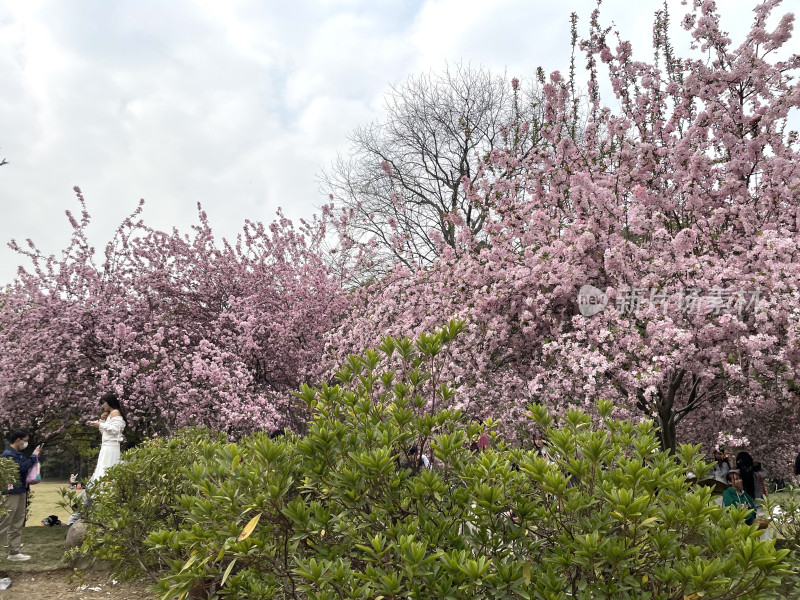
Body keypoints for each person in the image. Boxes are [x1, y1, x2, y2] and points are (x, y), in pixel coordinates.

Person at [0, 430, 42, 561]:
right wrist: (34, 456)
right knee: (4, 523)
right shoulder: (8, 455)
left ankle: (14, 552)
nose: (26, 443)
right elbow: (21, 468)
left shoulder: (18, 454)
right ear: (18, 440)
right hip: (11, 493)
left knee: (17, 522)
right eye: (25, 440)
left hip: (21, 490)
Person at [87, 392, 126, 483]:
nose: (102, 406)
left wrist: (100, 424)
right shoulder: (109, 414)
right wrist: (102, 421)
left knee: (107, 467)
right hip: (106, 446)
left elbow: (116, 429)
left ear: (109, 402)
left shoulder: (115, 412)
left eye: (103, 403)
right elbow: (106, 432)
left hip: (111, 447)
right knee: (103, 468)